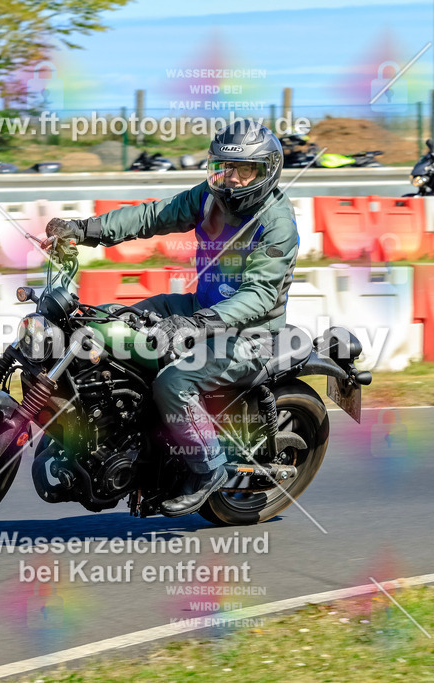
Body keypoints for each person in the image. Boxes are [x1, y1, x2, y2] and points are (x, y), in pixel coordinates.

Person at [44, 119, 299, 517]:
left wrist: (196, 325)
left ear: (265, 171)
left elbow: (260, 295)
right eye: (222, 168)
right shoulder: (209, 197)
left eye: (242, 170)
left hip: (250, 335)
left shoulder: (276, 225)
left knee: (173, 381)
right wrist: (85, 229)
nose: (230, 179)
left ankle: (208, 469)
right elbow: (153, 216)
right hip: (200, 307)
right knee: (105, 321)